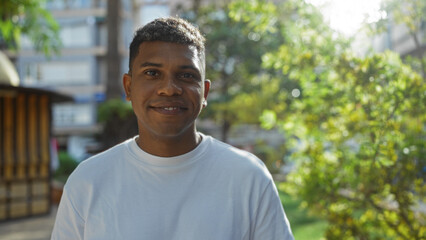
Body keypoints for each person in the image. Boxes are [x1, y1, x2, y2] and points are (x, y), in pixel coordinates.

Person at [51, 17, 294, 240]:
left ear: (205, 92)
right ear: (128, 86)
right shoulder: (88, 181)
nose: (169, 88)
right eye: (152, 73)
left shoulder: (248, 177)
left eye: (187, 75)